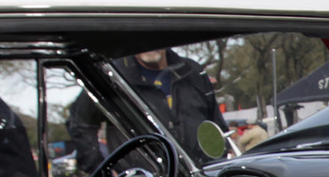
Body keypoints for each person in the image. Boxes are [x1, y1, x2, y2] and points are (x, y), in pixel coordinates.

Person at [69, 47, 226, 169]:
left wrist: (217, 165)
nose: (148, 45)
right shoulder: (111, 76)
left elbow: (216, 126)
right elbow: (80, 125)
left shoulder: (192, 72)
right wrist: (105, 172)